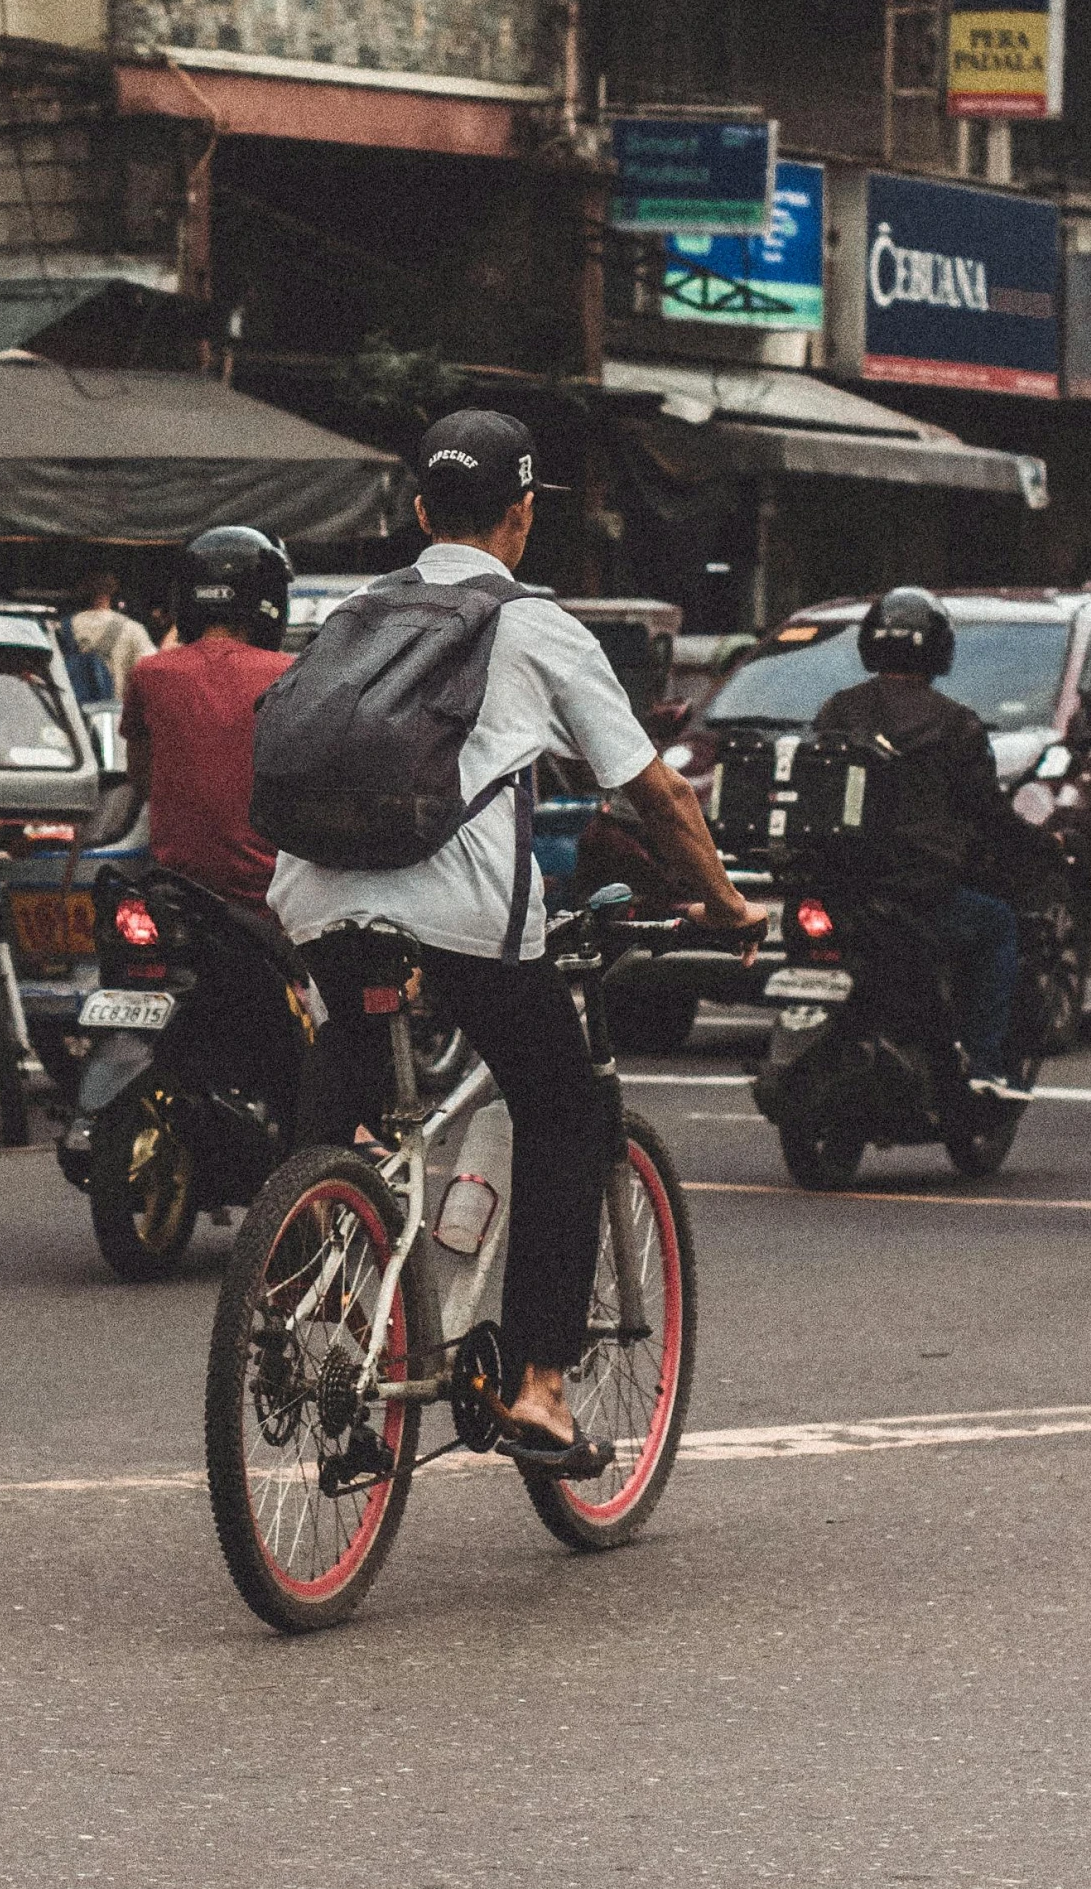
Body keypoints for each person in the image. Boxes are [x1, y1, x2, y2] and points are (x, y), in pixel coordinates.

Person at [269, 407, 767, 1476]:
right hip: (456, 915)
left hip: (317, 898)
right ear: (524, 517)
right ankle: (540, 1388)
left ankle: (307, 1281)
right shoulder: (534, 625)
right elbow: (660, 794)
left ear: (417, 512)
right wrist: (727, 908)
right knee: (564, 1103)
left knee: (347, 1075)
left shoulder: (355, 610)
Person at [815, 585, 1044, 1095]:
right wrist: (1036, 846)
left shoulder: (837, 711)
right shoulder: (954, 722)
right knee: (998, 926)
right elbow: (987, 811)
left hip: (841, 888)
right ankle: (984, 1064)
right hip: (918, 893)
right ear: (939, 649)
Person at [120, 527, 295, 911]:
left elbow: (140, 775)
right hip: (270, 895)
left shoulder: (150, 674)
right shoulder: (291, 674)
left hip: (177, 890)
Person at [70, 568, 157, 698]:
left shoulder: (65, 627)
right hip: (114, 712)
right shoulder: (132, 629)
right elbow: (150, 674)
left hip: (70, 712)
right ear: (112, 591)